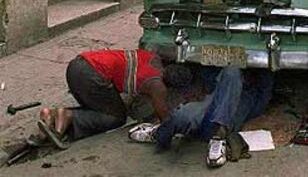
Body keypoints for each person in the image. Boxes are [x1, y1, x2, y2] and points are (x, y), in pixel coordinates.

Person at [131, 66, 274, 169]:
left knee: (232, 71)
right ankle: (158, 133)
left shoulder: (252, 93)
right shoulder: (224, 85)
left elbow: (263, 95)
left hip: (221, 124)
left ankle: (219, 136)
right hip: (206, 116)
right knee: (182, 116)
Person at [30, 48, 171, 150]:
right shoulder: (157, 84)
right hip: (92, 75)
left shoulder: (150, 56)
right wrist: (166, 125)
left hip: (77, 65)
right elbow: (163, 113)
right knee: (115, 117)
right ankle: (68, 115)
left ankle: (51, 115)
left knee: (98, 107)